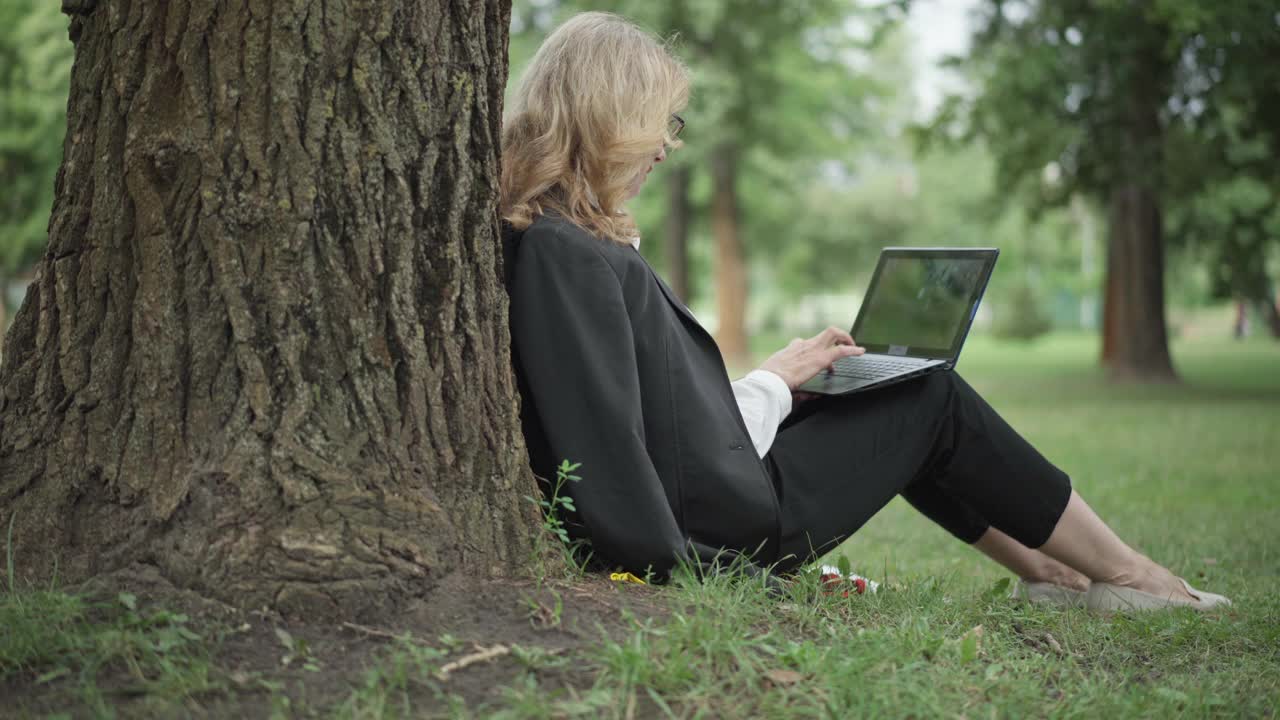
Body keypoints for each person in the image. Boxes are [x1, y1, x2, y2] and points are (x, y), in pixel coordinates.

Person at [500, 12, 1229, 612]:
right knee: (930, 394)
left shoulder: (571, 239)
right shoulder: (566, 254)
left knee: (893, 386)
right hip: (730, 519)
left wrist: (779, 381)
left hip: (719, 485)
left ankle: (1059, 576)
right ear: (608, 116)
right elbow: (610, 454)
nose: (666, 145)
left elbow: (657, 421)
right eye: (659, 122)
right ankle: (1131, 576)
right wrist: (708, 574)